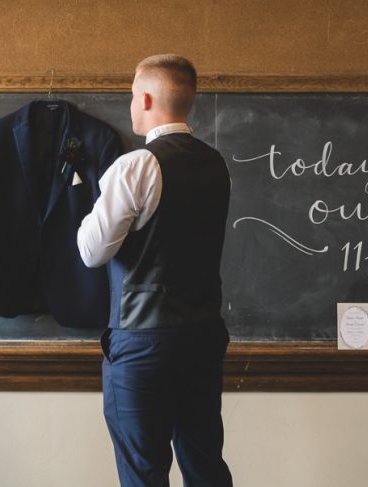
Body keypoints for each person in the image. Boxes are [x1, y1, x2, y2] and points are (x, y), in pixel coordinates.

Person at [78, 54, 233, 486]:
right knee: (205, 464)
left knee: (144, 472)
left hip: (144, 340)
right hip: (202, 333)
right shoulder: (216, 165)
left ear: (144, 98)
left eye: (131, 96)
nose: (130, 104)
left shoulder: (135, 166)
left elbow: (92, 251)